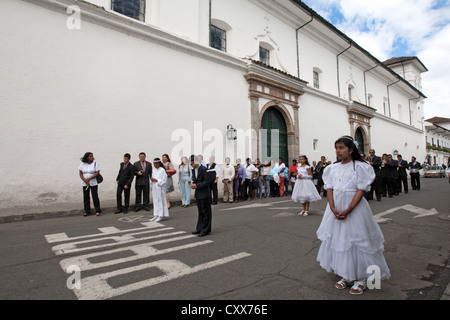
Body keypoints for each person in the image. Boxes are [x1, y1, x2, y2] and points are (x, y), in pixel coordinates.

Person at [316, 136, 390, 295]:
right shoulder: (332, 168)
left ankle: (362, 277)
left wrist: (349, 209)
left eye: (341, 147)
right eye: (336, 148)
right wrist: (332, 207)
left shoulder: (360, 166)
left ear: (351, 150)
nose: (338, 151)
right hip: (335, 208)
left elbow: (361, 189)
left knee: (358, 241)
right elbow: (329, 188)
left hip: (354, 208)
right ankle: (347, 274)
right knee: (340, 241)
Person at [191, 155, 213, 237]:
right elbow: (195, 180)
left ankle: (205, 229)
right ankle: (199, 228)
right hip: (198, 194)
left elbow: (207, 181)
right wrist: (193, 184)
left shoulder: (204, 169)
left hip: (204, 193)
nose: (192, 165)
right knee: (200, 212)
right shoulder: (193, 170)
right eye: (191, 164)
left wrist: (197, 185)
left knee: (205, 212)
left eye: (193, 163)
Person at [79, 152, 102, 216]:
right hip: (85, 183)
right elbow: (80, 174)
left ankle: (98, 210)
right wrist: (85, 180)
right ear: (87, 157)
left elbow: (97, 172)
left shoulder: (95, 163)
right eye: (90, 156)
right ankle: (87, 211)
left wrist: (89, 179)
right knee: (86, 197)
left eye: (92, 156)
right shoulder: (82, 164)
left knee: (95, 196)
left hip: (93, 182)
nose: (92, 157)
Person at [149, 158, 169, 222]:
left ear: (159, 163)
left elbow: (164, 180)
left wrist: (157, 180)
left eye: (156, 164)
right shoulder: (153, 170)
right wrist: (151, 180)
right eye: (154, 164)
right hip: (154, 188)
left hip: (160, 188)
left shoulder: (162, 170)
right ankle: (156, 214)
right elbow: (151, 178)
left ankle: (161, 215)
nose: (155, 165)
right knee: (155, 201)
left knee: (160, 201)